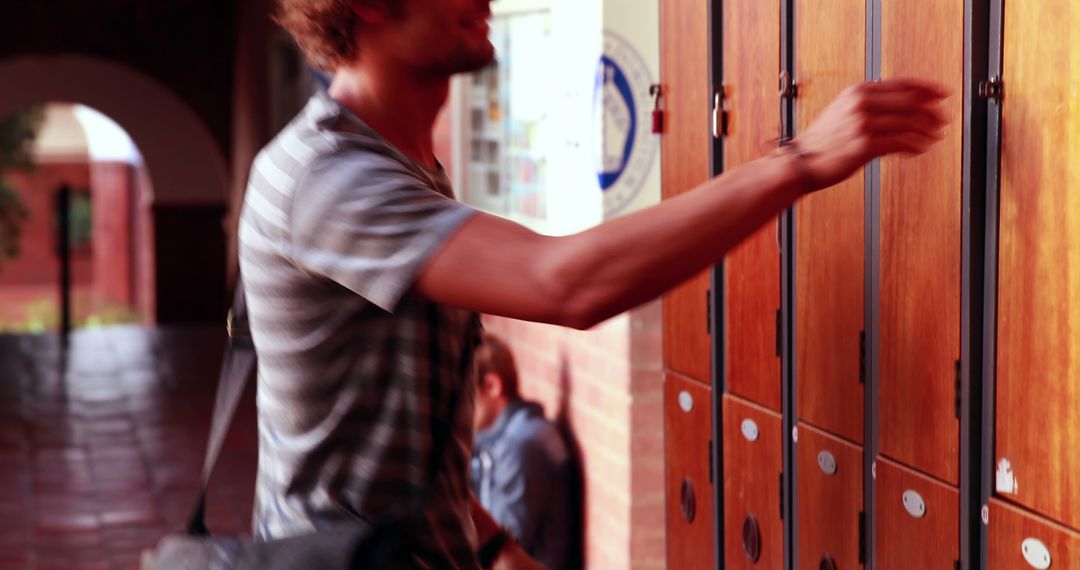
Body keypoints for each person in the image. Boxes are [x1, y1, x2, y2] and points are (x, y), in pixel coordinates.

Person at [239, 0, 949, 567]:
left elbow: (400, 438)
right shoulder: (327, 178)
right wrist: (798, 163)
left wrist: (496, 545)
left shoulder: (398, 168)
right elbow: (564, 285)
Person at [470, 334, 578, 570]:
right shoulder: (490, 435)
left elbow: (506, 543)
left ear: (491, 386)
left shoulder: (522, 443)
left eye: (467, 394)